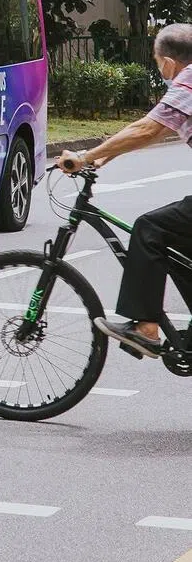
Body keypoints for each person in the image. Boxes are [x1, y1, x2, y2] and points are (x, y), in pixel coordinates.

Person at [58, 23, 192, 358]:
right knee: (180, 247)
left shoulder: (188, 80)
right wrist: (104, 155)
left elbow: (148, 128)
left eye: (157, 62)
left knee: (151, 228)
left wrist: (87, 155)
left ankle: (146, 328)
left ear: (167, 63)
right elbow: (157, 128)